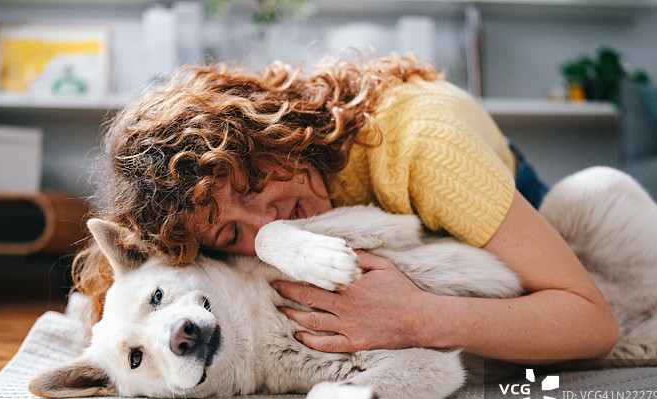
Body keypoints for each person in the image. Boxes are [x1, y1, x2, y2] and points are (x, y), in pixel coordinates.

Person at [76, 53, 619, 365]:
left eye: (249, 186)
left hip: (515, 192)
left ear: (266, 134)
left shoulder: (428, 152)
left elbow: (592, 322)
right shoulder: (295, 186)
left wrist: (415, 319)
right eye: (229, 234)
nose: (269, 226)